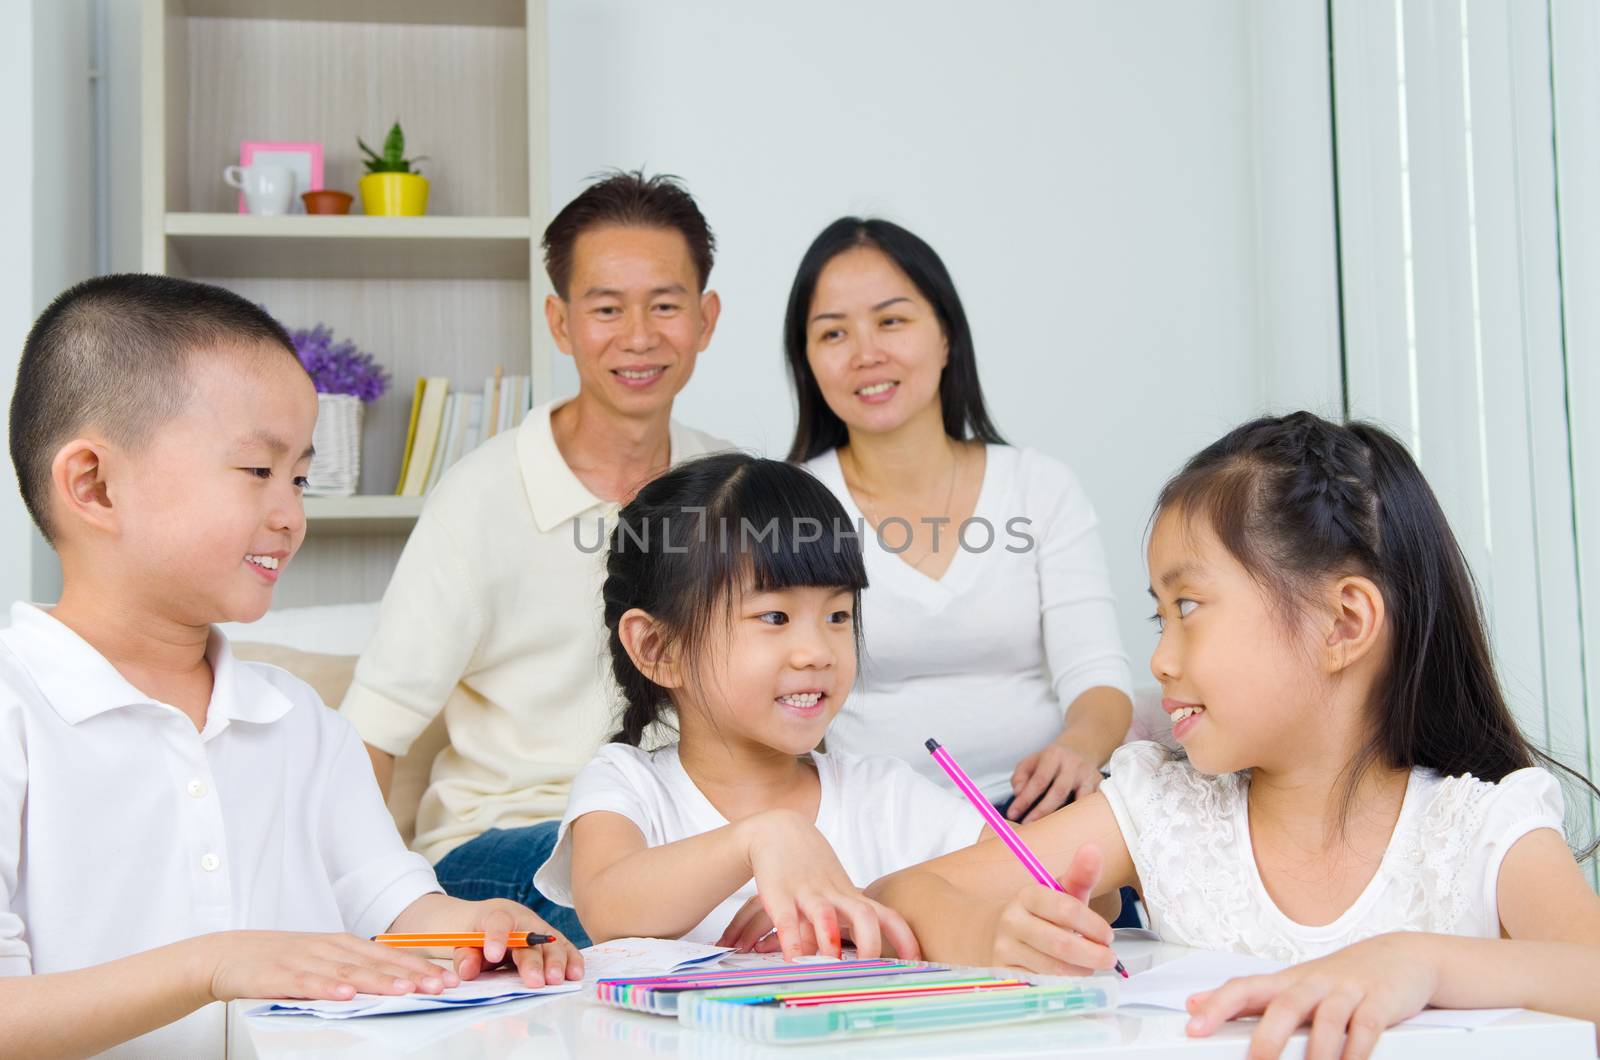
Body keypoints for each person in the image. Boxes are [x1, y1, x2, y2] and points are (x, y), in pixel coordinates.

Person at [869, 412, 1600, 1057]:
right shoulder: (1163, 811)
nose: (1158, 657)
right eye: (1161, 616)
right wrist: (993, 933)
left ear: (1343, 623)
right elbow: (900, 892)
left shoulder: (1476, 833)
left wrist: (1419, 963)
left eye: (1188, 606)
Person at [0, 275, 581, 1057]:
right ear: (95, 485)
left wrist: (478, 927)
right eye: (256, 471)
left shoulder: (297, 720)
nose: (291, 514)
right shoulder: (17, 708)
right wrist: (212, 965)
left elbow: (394, 906)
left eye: (300, 478)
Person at [340, 172, 728, 946]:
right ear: (560, 322)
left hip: (684, 842)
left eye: (665, 304)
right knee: (626, 929)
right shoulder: (479, 496)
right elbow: (368, 738)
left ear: (706, 318)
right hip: (510, 840)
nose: (640, 335)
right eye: (606, 308)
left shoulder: (729, 489)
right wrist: (363, 910)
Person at [533, 453, 986, 958]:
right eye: (774, 616)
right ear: (659, 649)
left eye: (838, 615)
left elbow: (1027, 863)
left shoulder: (882, 795)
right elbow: (607, 907)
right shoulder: (629, 785)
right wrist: (763, 838)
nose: (817, 652)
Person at [784, 217, 1132, 824]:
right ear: (808, 360)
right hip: (870, 828)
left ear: (946, 336)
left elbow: (1096, 675)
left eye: (892, 320)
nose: (867, 353)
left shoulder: (1038, 486)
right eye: (833, 333)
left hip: (1037, 813)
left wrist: (1078, 748)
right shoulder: (793, 504)